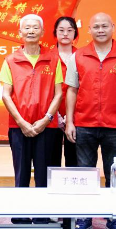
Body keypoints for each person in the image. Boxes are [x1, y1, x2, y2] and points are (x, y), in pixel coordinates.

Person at [64, 12, 116, 229]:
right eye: (95, 26)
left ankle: (114, 217)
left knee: (114, 173)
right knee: (85, 174)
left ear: (112, 27)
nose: (100, 30)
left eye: (104, 26)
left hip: (115, 126)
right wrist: (70, 121)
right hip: (84, 124)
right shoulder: (78, 56)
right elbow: (71, 90)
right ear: (89, 30)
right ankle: (84, 217)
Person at [0, 14, 62, 225]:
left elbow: (58, 93)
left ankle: (42, 214)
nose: (31, 31)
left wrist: (46, 119)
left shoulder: (53, 59)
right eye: (27, 28)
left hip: (47, 127)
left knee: (44, 172)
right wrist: (21, 122)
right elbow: (6, 95)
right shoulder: (11, 60)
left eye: (36, 28)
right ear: (20, 33)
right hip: (19, 127)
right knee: (22, 171)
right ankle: (20, 213)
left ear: (42, 32)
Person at [48, 16, 78, 167]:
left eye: (69, 30)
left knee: (74, 161)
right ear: (55, 33)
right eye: (61, 30)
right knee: (51, 161)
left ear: (75, 33)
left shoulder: (82, 56)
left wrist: (70, 117)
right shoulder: (47, 57)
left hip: (77, 117)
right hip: (51, 117)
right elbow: (45, 89)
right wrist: (55, 115)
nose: (65, 34)